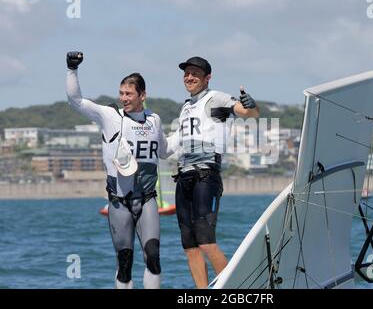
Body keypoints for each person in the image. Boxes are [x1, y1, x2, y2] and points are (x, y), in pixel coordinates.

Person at [65, 51, 170, 289]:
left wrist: (190, 138)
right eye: (121, 93)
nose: (123, 98)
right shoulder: (109, 116)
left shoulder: (155, 120)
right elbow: (76, 101)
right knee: (125, 262)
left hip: (146, 199)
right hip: (118, 201)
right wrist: (72, 69)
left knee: (153, 256)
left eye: (129, 94)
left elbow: (165, 150)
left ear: (143, 95)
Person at [173, 56, 260, 288]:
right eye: (187, 73)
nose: (189, 77)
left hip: (206, 175)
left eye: (195, 74)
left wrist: (251, 105)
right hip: (184, 177)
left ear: (207, 78)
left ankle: (234, 289)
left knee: (205, 240)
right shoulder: (185, 106)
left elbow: (247, 113)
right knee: (189, 244)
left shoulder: (217, 97)